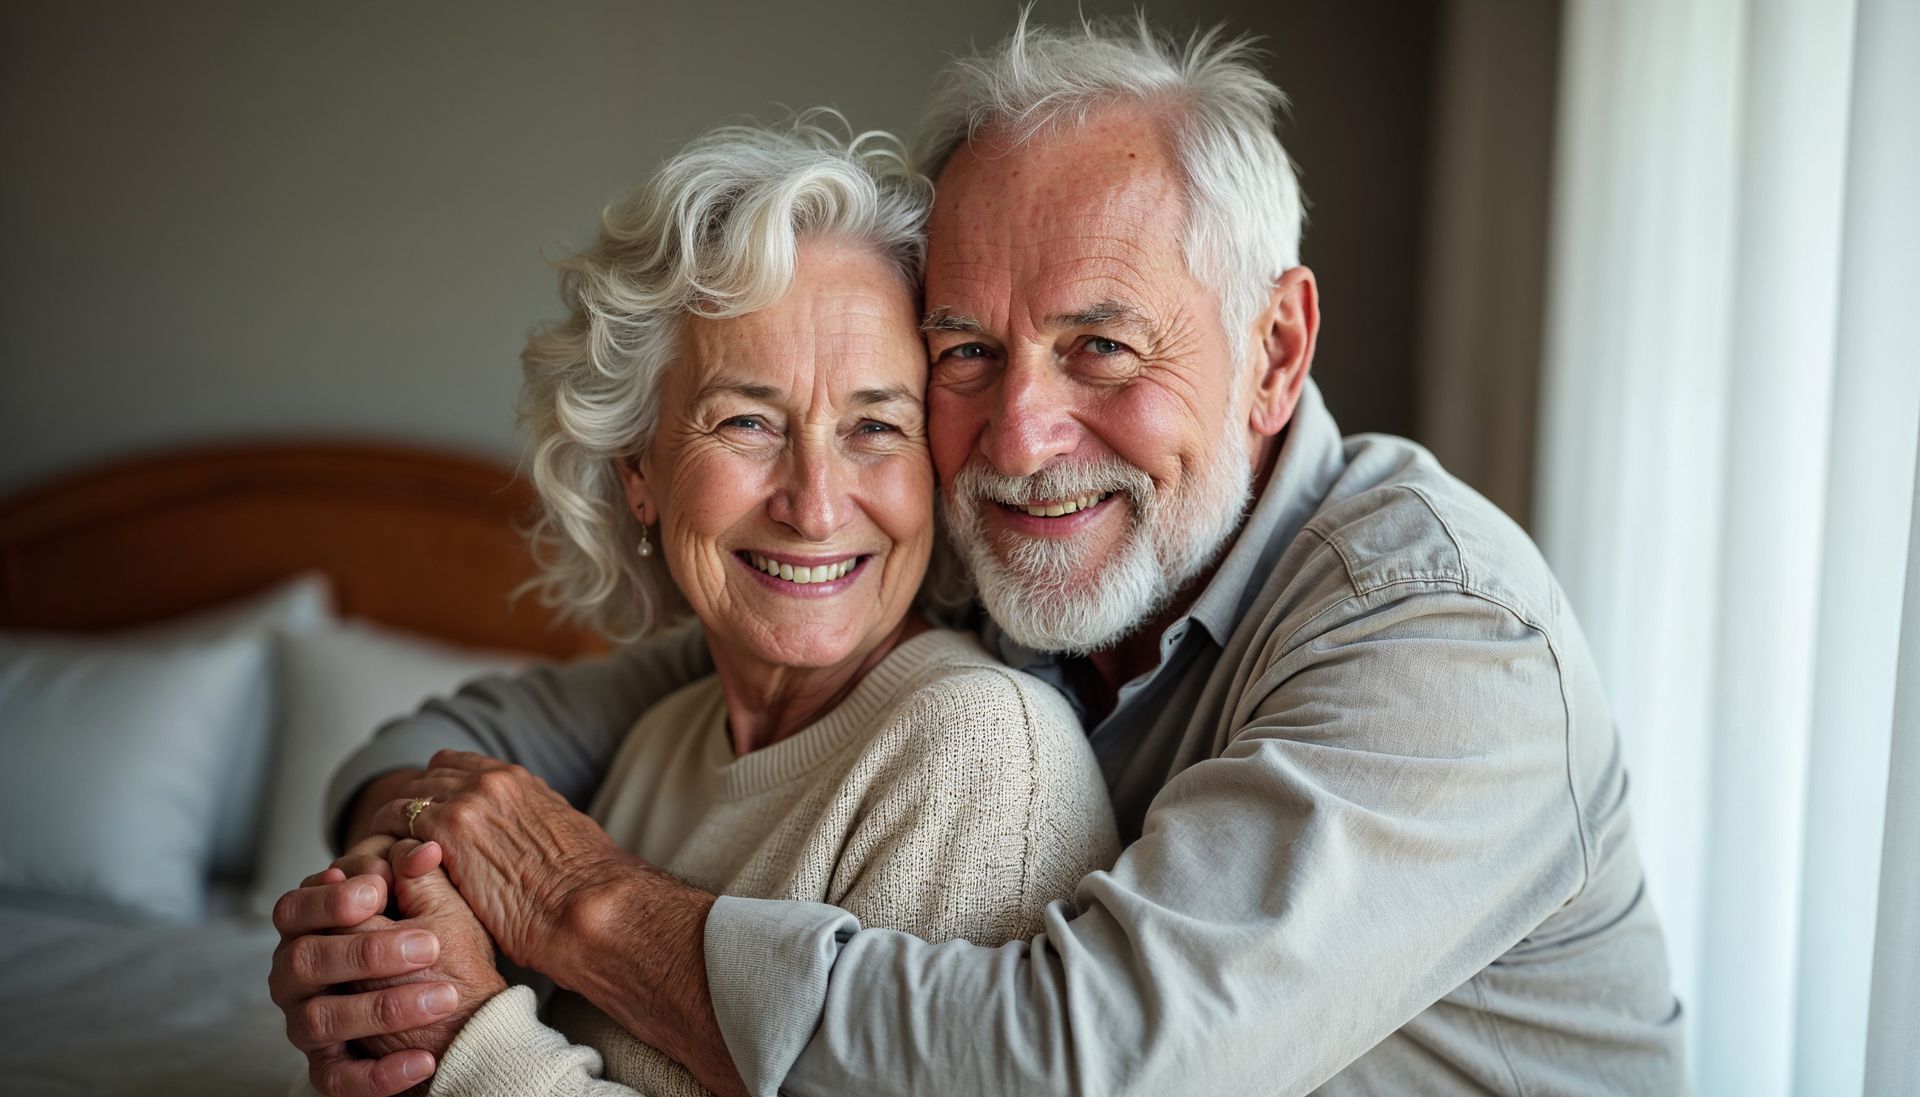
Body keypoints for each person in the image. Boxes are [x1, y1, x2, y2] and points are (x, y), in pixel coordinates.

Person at [277, 14, 1690, 1097]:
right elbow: (505, 732)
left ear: (1274, 349)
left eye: (1102, 345)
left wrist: (576, 913)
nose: (1018, 435)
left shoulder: (1442, 635)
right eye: (965, 351)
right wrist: (395, 917)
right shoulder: (1006, 569)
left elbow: (1083, 1065)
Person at [268, 117, 1118, 1096]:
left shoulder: (980, 749)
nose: (815, 505)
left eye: (876, 426)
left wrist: (464, 1039)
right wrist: (390, 956)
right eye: (747, 420)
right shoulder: (662, 737)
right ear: (639, 470)